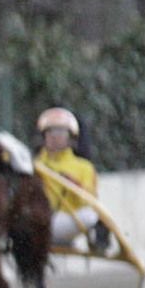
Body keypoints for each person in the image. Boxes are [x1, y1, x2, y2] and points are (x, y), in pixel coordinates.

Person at [34, 106, 109, 253]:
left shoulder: (84, 167)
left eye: (61, 132)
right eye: (50, 132)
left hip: (67, 221)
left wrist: (74, 184)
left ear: (71, 137)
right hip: (37, 222)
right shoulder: (33, 165)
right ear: (44, 136)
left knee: (91, 215)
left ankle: (99, 240)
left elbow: (90, 199)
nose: (55, 137)